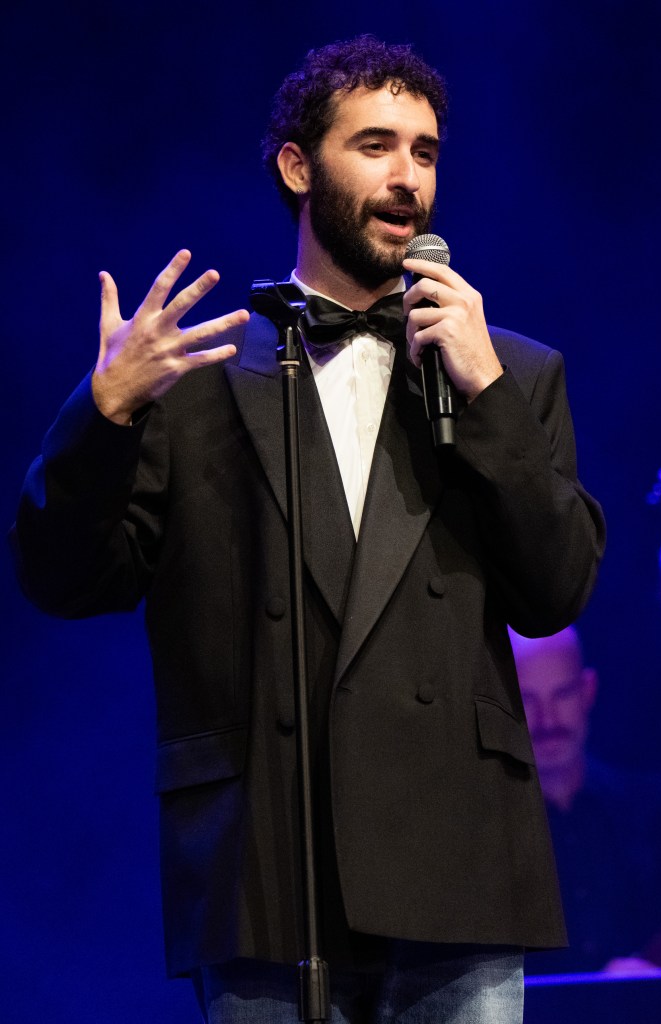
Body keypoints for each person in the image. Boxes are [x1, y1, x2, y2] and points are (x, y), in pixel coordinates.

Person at [11, 35, 605, 1024]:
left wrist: (488, 399)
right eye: (375, 145)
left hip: (457, 861)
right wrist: (102, 414)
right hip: (264, 865)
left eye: (424, 152)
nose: (407, 177)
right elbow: (65, 579)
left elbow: (556, 592)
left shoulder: (510, 373)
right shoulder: (192, 383)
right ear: (297, 166)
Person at [510, 626, 661, 975]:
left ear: (588, 691)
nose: (547, 720)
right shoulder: (469, 839)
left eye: (562, 694)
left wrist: (654, 972)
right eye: (526, 699)